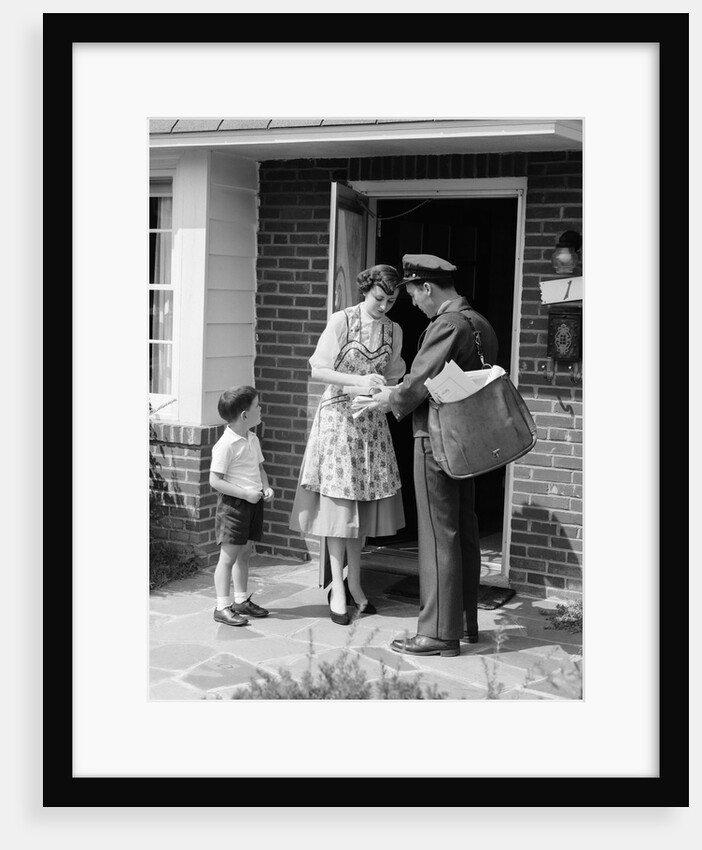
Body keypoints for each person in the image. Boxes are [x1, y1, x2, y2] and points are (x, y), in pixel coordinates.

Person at [365, 254, 498, 657]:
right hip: (465, 440)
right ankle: (464, 623)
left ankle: (438, 633)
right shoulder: (480, 323)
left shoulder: (447, 324)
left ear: (427, 287)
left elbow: (419, 380)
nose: (413, 303)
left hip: (435, 438)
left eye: (413, 294)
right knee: (463, 530)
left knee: (439, 535)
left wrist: (390, 398)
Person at [290, 264, 406, 625]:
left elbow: (396, 372)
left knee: (362, 508)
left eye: (391, 301)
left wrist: (384, 387)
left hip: (371, 422)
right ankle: (338, 588)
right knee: (340, 509)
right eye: (379, 298)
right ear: (366, 290)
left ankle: (355, 581)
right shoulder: (342, 320)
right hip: (338, 421)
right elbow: (318, 369)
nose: (384, 306)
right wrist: (357, 381)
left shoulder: (393, 330)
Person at [209, 386, 275, 626]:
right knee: (227, 558)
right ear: (245, 415)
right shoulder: (226, 444)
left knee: (245, 554)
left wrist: (265, 486)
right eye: (257, 406)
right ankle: (222, 607)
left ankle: (240, 601)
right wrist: (245, 494)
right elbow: (215, 480)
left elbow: (259, 468)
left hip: (253, 504)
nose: (261, 409)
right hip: (234, 507)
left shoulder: (252, 438)